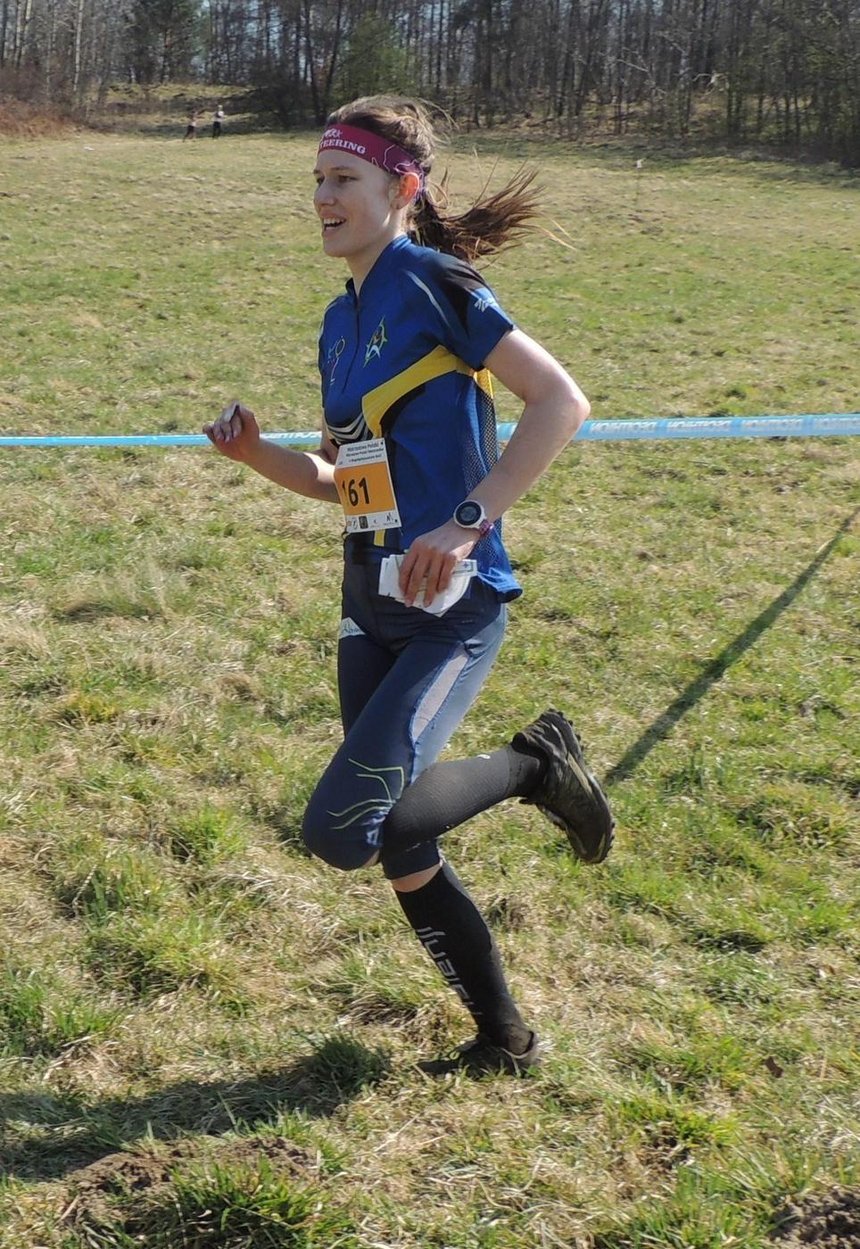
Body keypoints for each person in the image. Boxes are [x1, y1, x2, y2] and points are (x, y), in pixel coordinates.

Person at [203, 95, 614, 1076]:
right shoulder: (338, 321)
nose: (323, 197)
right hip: (368, 607)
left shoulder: (433, 281)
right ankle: (505, 1039)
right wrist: (256, 455)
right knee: (401, 842)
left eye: (343, 178)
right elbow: (341, 479)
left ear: (403, 188)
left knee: (345, 827)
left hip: (448, 611)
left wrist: (468, 519)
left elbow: (560, 401)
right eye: (316, 179)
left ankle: (534, 766)